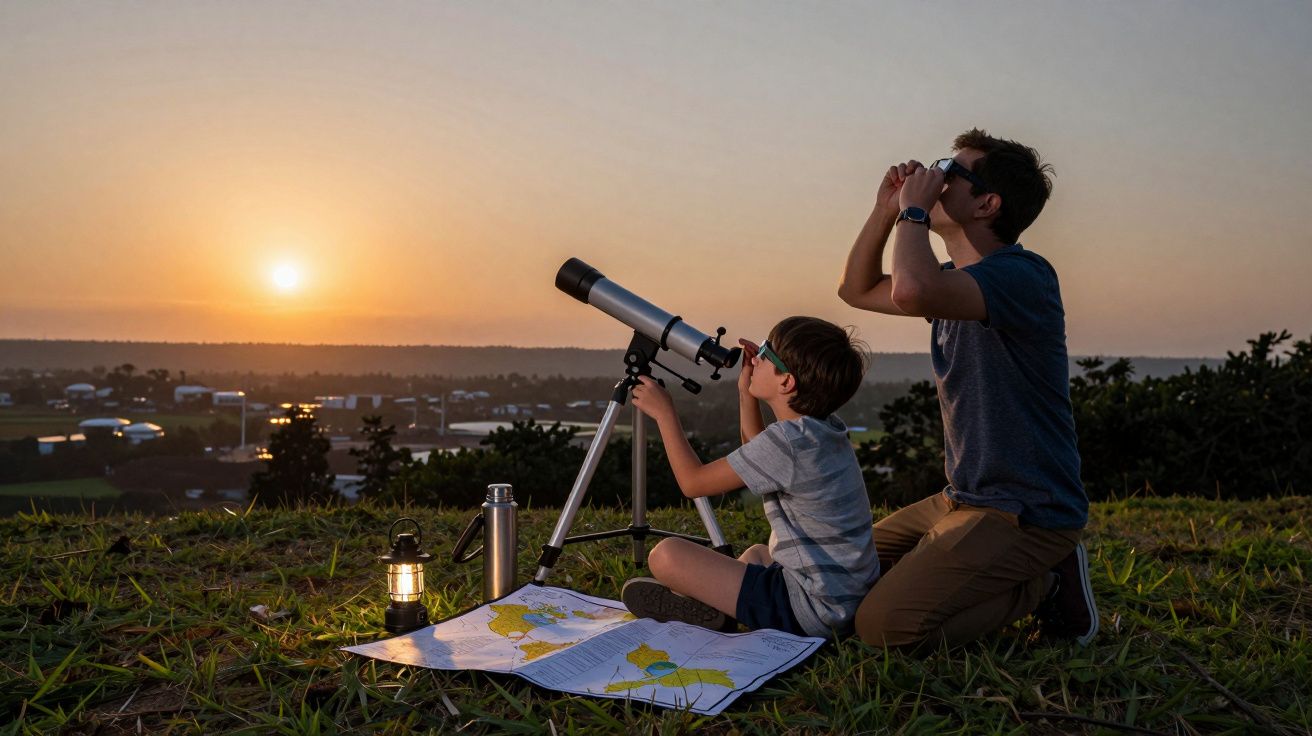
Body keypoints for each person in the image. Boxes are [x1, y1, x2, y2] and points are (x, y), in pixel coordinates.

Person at [836, 128, 1098, 648]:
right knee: (840, 573)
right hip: (961, 499)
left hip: (1026, 510)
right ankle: (1006, 570)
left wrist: (913, 212)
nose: (935, 178)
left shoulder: (1024, 276)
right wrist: (885, 211)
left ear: (987, 203)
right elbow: (857, 290)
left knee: (882, 628)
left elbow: (912, 289)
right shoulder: (953, 280)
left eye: (951, 171)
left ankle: (1044, 584)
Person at [620, 316, 879, 638]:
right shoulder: (822, 430)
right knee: (757, 553)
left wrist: (665, 414)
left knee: (666, 556)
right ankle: (716, 607)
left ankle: (714, 607)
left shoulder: (788, 443)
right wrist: (747, 394)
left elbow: (693, 483)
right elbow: (760, 452)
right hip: (843, 596)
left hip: (811, 609)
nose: (755, 357)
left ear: (787, 382)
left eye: (767, 354)